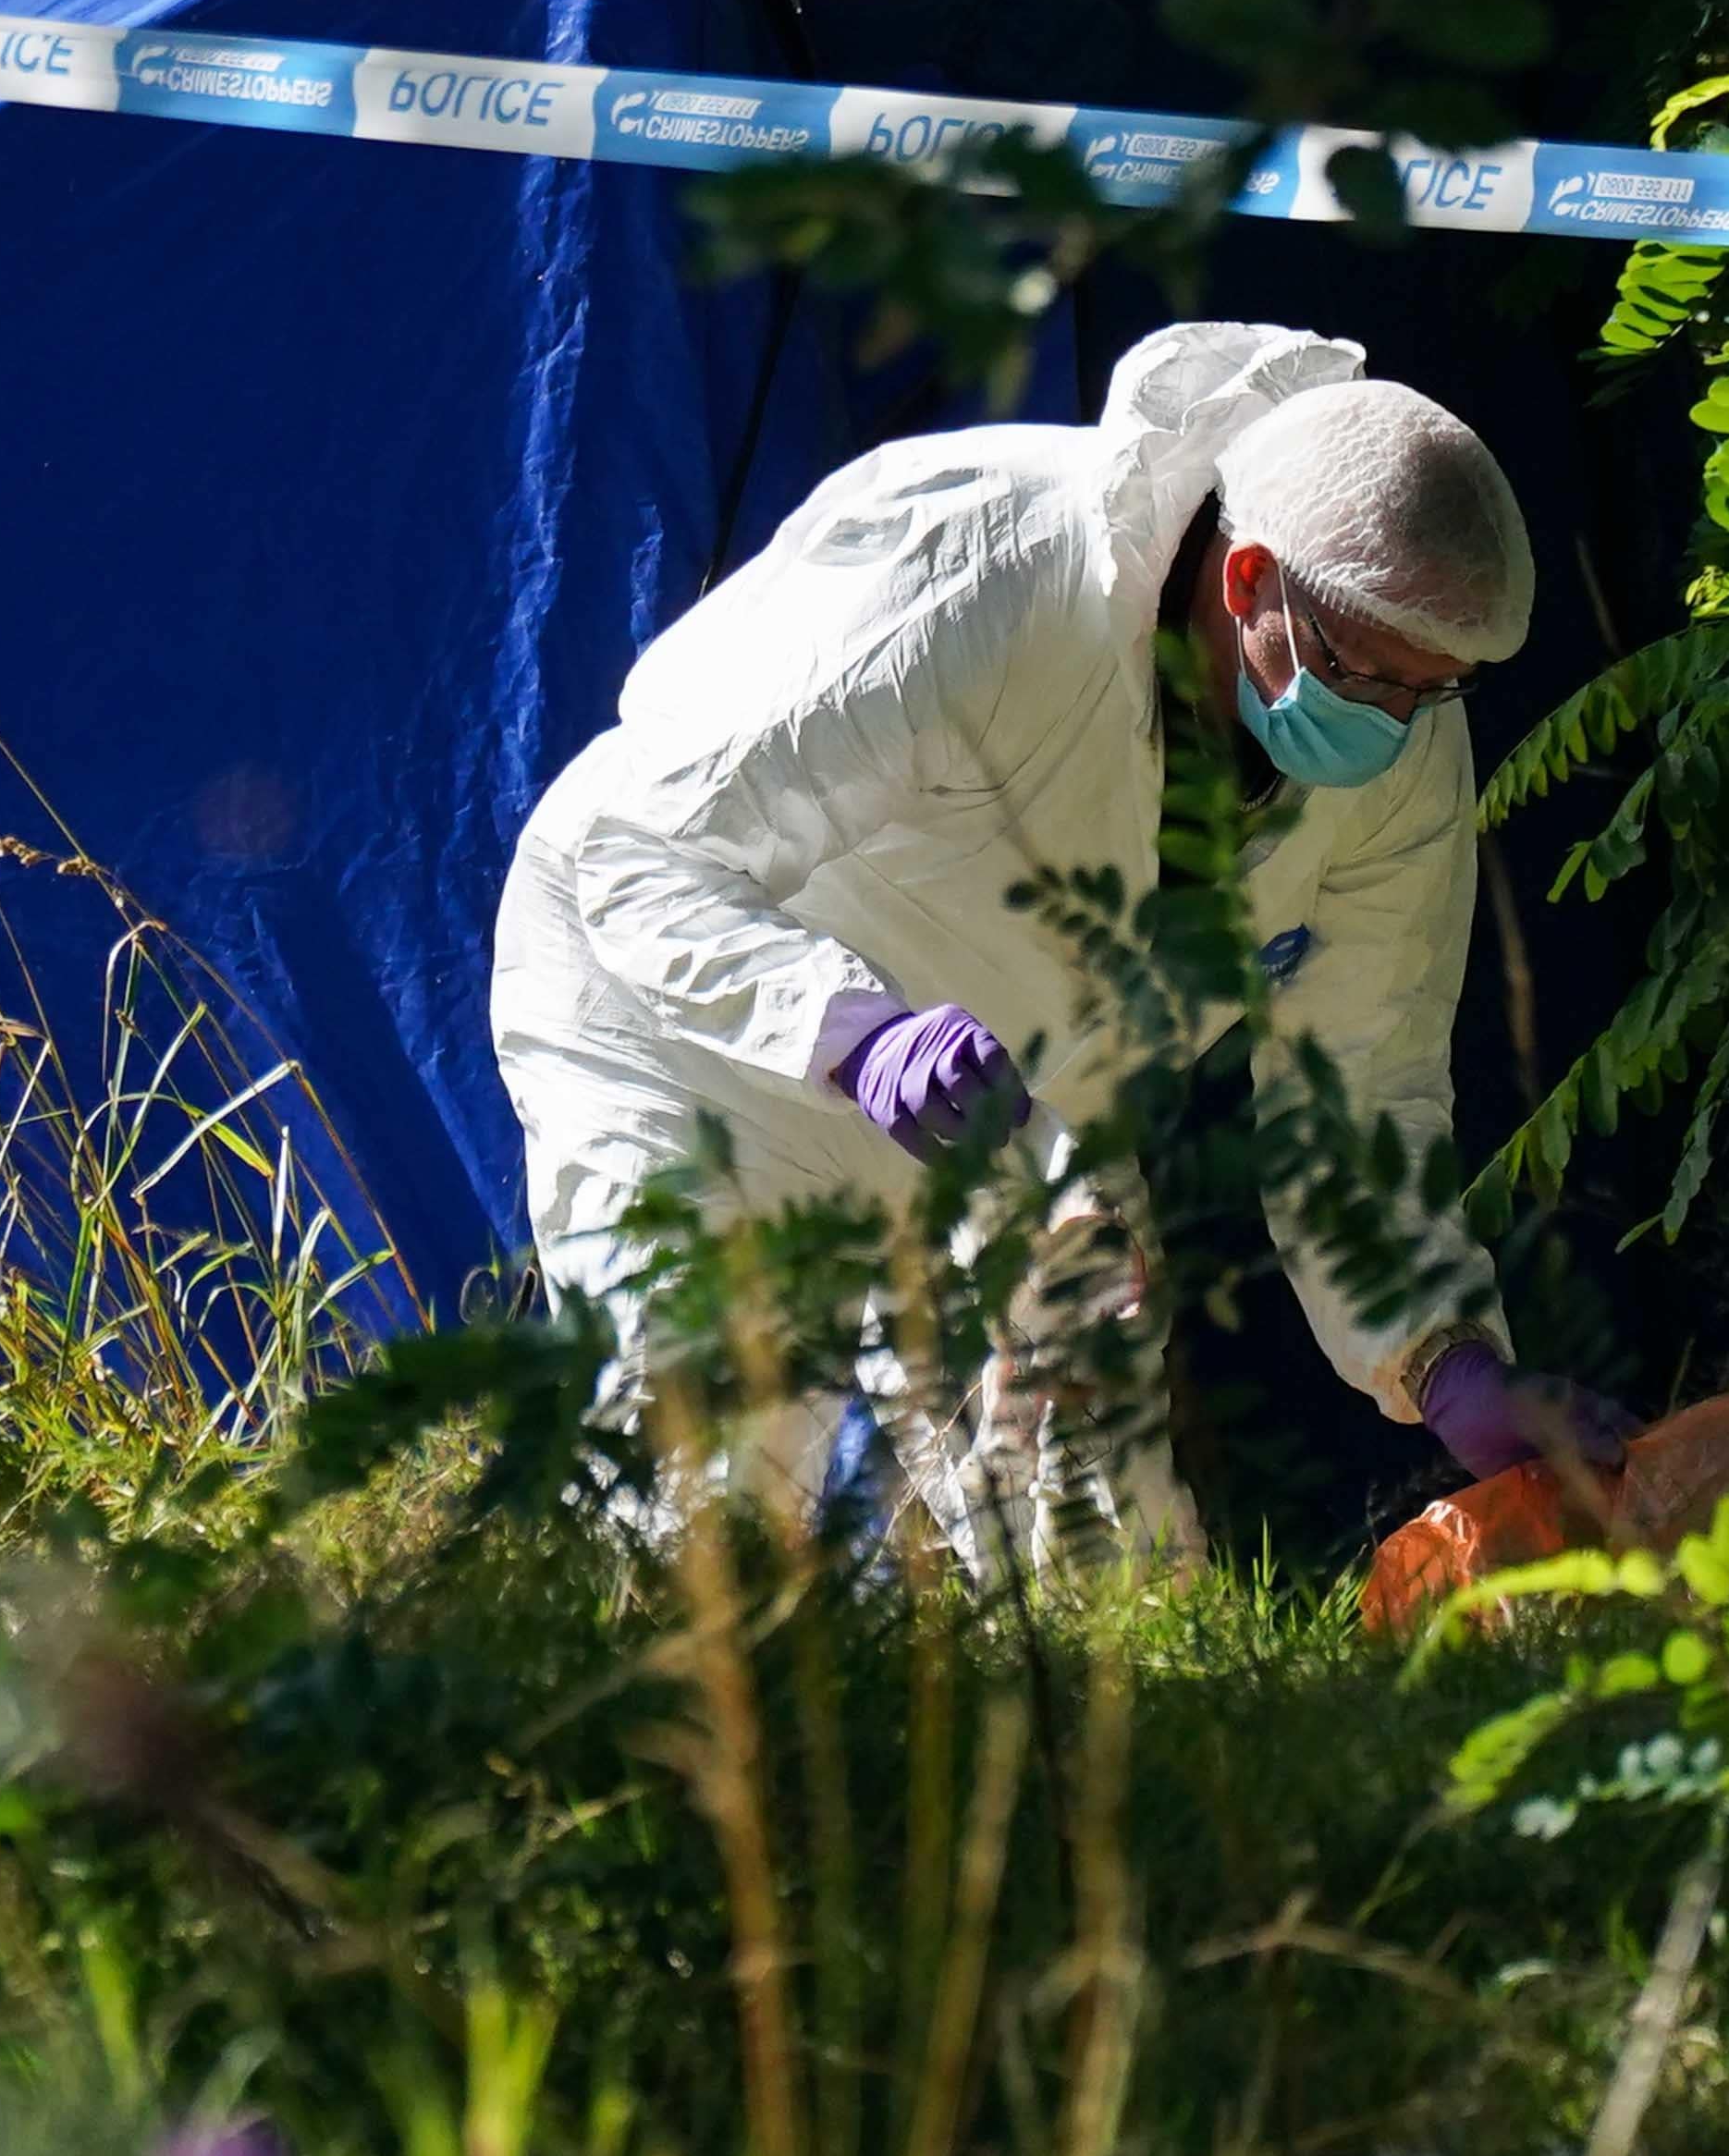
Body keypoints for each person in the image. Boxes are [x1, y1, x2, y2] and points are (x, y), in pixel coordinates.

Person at [492, 319, 1624, 1545]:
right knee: (709, 1535)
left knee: (1107, 1591)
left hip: (1004, 1112)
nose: (1395, 726)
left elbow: (1362, 1089)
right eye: (1365, 677)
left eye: (1435, 686)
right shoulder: (984, 557)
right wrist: (857, 1035)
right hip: (694, 1032)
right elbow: (644, 846)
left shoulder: (1400, 743)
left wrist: (1444, 1354)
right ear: (1248, 580)